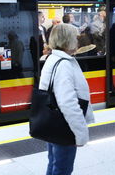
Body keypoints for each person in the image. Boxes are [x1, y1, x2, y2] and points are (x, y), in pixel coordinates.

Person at [39, 24, 94, 175]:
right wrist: (80, 133)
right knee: (63, 169)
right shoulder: (64, 65)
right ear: (68, 40)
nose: (77, 41)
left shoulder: (52, 58)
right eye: (75, 38)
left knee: (54, 163)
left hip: (52, 121)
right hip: (64, 126)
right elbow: (68, 103)